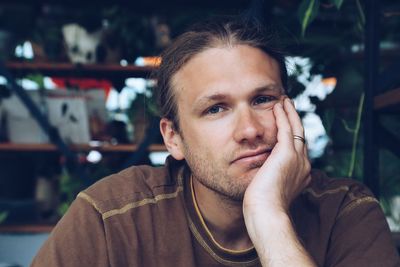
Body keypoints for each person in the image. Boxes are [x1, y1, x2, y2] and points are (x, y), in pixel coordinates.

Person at [32, 17, 399, 267]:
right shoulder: (109, 220)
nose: (250, 129)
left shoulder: (344, 213)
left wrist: (269, 217)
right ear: (173, 138)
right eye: (216, 109)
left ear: (290, 110)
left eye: (262, 99)